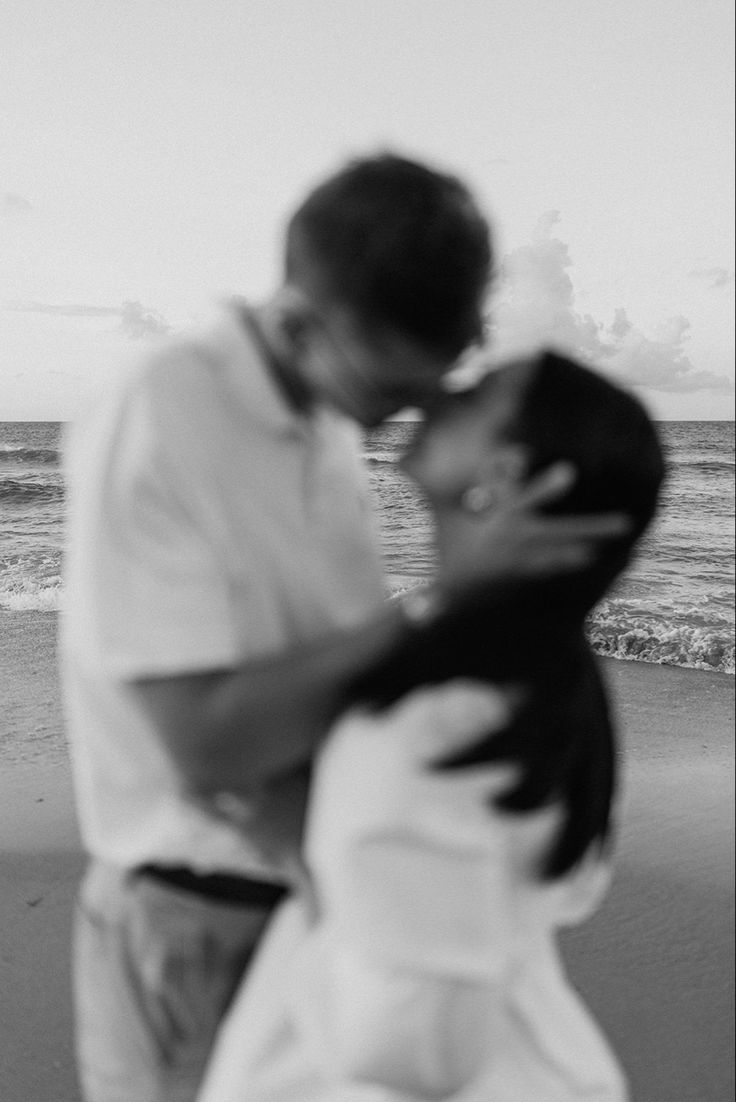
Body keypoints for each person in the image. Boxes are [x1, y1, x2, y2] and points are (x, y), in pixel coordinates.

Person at [60, 149, 627, 1102]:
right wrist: (446, 604)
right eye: (392, 385)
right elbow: (206, 746)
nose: (413, 415)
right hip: (198, 916)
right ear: (297, 318)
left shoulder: (328, 412)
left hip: (326, 898)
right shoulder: (166, 413)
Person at [197, 351, 666, 1102]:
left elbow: (415, 1047)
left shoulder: (437, 719)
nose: (440, 393)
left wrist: (304, 865)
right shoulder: (550, 679)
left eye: (475, 395)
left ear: (509, 473)